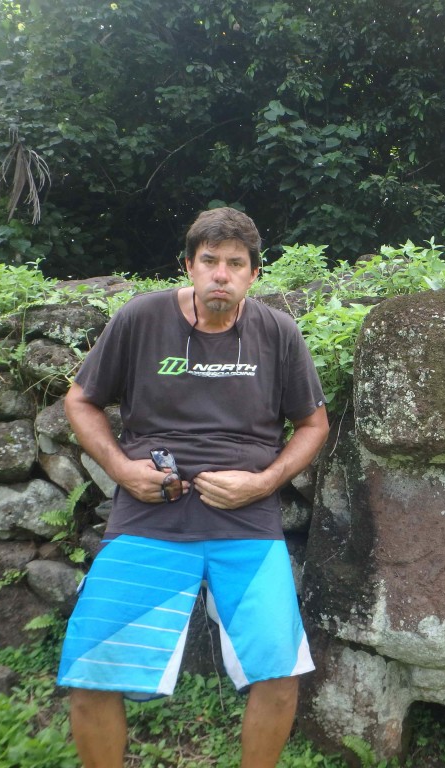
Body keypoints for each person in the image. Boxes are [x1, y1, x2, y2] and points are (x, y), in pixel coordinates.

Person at [56, 207, 330, 768]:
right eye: (209, 261)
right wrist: (121, 469)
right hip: (149, 519)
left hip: (247, 525)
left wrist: (265, 482)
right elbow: (80, 400)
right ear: (189, 265)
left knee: (279, 675)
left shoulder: (278, 332)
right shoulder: (142, 318)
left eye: (235, 264)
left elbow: (314, 424)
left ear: (254, 273)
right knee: (90, 676)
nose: (221, 275)